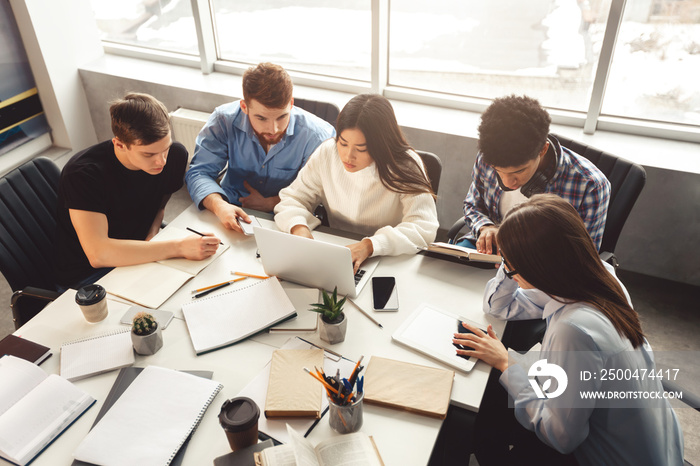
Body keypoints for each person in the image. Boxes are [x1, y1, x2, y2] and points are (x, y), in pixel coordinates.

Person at [453, 194, 684, 466]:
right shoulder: (600, 277)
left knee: (486, 410)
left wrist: (506, 362)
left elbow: (561, 437)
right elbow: (498, 307)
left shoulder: (573, 330)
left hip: (614, 458)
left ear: (540, 267)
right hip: (656, 446)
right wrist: (511, 257)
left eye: (509, 264)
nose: (507, 270)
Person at [55, 93, 220, 290]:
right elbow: (98, 254)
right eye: (148, 154)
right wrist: (177, 247)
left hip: (142, 251)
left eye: (164, 149)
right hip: (89, 275)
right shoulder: (83, 174)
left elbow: (158, 205)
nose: (161, 162)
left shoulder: (175, 155)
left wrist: (152, 234)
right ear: (119, 144)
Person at [273, 94, 439, 272]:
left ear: (380, 145)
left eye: (361, 149)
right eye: (343, 143)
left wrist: (370, 245)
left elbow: (423, 227)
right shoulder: (328, 152)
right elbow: (292, 198)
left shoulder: (406, 165)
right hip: (338, 251)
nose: (348, 156)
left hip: (389, 258)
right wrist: (299, 229)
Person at [185, 62, 335, 232]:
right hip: (229, 209)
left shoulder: (319, 136)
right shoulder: (223, 120)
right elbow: (199, 172)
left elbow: (321, 194)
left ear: (291, 104)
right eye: (262, 118)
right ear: (244, 107)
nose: (274, 129)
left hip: (290, 218)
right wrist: (219, 206)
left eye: (281, 117)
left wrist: (272, 203)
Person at [459, 95, 610, 254]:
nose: (508, 183)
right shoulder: (488, 157)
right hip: (492, 250)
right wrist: (485, 227)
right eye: (498, 171)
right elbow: (473, 204)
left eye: (519, 171)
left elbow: (584, 256)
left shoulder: (590, 185)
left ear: (542, 150)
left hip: (543, 262)